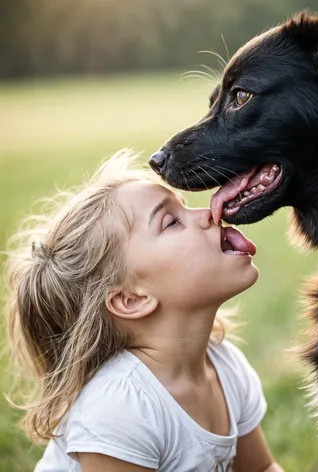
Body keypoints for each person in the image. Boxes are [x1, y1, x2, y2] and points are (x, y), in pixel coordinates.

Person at [4, 150, 284, 472]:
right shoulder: (120, 407)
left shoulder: (225, 366)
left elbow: (261, 468)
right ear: (132, 299)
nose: (208, 213)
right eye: (172, 222)